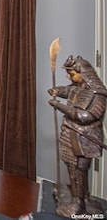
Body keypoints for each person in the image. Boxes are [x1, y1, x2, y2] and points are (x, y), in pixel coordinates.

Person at [48, 55, 107, 217]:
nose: (69, 77)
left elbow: (84, 116)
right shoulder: (78, 88)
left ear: (84, 74)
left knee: (79, 171)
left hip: (83, 138)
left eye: (72, 74)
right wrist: (57, 91)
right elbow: (68, 91)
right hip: (70, 134)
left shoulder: (98, 94)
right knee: (73, 169)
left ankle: (79, 203)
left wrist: (58, 105)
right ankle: (82, 197)